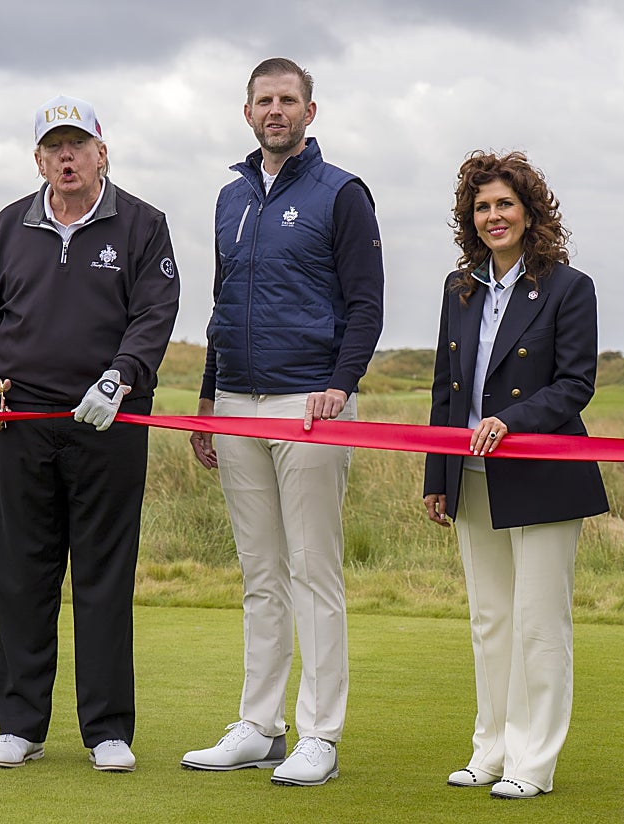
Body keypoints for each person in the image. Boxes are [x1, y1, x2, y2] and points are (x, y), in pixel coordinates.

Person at [0, 94, 179, 774]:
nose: (67, 157)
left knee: (103, 576)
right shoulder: (8, 226)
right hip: (23, 422)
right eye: (54, 147)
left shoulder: (142, 224)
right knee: (22, 576)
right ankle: (19, 725)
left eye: (77, 144)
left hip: (109, 419)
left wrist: (120, 376)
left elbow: (154, 314)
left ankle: (107, 729)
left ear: (101, 152)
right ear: (38, 159)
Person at [181, 57, 384, 787]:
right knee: (261, 573)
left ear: (309, 111)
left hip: (309, 404)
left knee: (312, 570)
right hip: (237, 401)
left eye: (288, 100)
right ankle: (260, 725)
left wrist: (340, 384)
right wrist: (209, 398)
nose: (276, 110)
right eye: (264, 100)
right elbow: (222, 304)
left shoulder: (342, 193)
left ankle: (320, 734)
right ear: (247, 112)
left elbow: (365, 304)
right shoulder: (230, 197)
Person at [422, 151, 608, 799]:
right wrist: (438, 476)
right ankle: (490, 750)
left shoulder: (568, 287)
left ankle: (532, 762)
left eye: (504, 203)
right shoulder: (459, 288)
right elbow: (445, 389)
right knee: (490, 620)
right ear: (469, 218)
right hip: (471, 475)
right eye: (482, 206)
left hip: (543, 474)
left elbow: (576, 383)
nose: (493, 216)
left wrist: (512, 421)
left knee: (538, 623)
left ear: (530, 212)